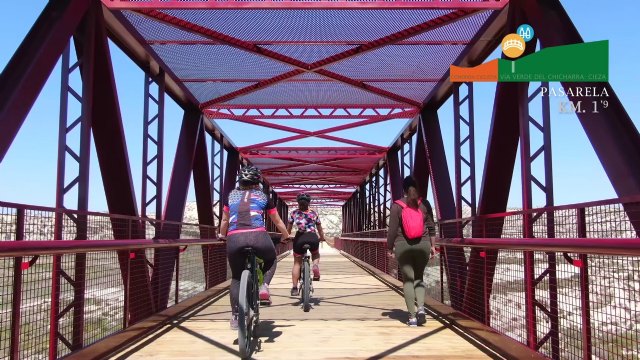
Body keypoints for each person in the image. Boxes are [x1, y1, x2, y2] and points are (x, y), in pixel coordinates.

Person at [218, 165, 289, 329]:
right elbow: (277, 221)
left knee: (236, 278)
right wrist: (285, 236)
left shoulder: (231, 196)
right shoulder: (263, 196)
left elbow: (224, 221)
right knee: (271, 260)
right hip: (258, 236)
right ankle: (264, 285)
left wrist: (222, 235)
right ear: (257, 183)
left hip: (234, 238)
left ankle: (236, 316)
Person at [386, 176, 436, 327]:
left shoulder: (397, 206)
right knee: (419, 278)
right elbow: (432, 227)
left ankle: (412, 318)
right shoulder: (424, 204)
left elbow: (392, 230)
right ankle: (421, 308)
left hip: (403, 246)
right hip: (423, 244)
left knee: (408, 279)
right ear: (416, 187)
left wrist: (389, 247)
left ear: (403, 189)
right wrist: (433, 246)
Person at [287, 192, 325, 296]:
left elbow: (288, 230)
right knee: (315, 253)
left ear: (298, 202)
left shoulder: (294, 213)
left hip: (299, 238)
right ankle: (315, 266)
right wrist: (322, 238)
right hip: (312, 237)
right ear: (309, 203)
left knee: (297, 263)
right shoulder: (314, 213)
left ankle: (294, 288)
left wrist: (286, 237)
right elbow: (320, 229)